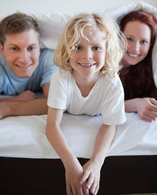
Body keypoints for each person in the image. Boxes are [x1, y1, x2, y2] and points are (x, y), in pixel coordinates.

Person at [46, 13, 127, 195]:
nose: (87, 56)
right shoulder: (61, 77)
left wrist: (97, 162)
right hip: (66, 105)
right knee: (37, 105)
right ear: (67, 50)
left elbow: (109, 126)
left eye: (96, 48)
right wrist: (71, 163)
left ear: (108, 50)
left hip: (98, 108)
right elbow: (52, 125)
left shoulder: (112, 82)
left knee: (125, 106)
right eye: (78, 47)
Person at [0, 12, 57, 120]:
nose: (24, 60)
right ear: (2, 49)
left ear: (39, 47)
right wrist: (15, 100)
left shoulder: (49, 59)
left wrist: (6, 108)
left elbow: (54, 102)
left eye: (31, 48)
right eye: (15, 49)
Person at [119, 10, 157, 123]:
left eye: (143, 41)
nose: (135, 48)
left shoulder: (150, 72)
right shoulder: (101, 65)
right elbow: (96, 106)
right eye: (129, 39)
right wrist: (135, 104)